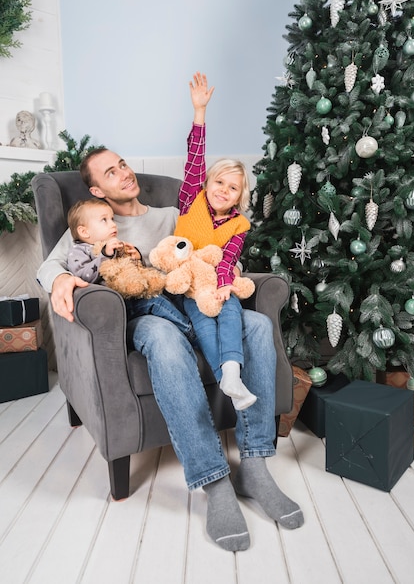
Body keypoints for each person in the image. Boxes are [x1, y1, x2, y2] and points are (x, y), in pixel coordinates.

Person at [37, 73, 304, 552]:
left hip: (193, 301)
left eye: (122, 164)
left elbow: (212, 238)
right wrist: (60, 279)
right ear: (97, 192)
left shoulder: (173, 212)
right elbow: (54, 263)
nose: (123, 172)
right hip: (144, 317)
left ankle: (257, 466)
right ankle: (214, 480)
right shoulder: (96, 226)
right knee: (163, 338)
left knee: (260, 325)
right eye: (111, 172)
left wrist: (225, 267)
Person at [175, 72, 256, 411]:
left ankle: (232, 375)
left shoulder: (240, 224)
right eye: (219, 181)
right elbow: (195, 157)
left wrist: (225, 286)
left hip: (216, 282)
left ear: (240, 196)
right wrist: (200, 113)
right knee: (203, 321)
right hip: (189, 283)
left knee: (231, 310)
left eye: (233, 187)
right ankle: (226, 373)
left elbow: (229, 258)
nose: (224, 189)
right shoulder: (191, 197)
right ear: (208, 183)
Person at [65, 197, 195, 340]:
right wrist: (105, 255)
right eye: (104, 220)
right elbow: (83, 276)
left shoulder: (114, 244)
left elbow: (133, 271)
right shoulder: (78, 251)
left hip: (135, 293)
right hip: (120, 304)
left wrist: (137, 258)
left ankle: (190, 323)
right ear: (84, 232)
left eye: (112, 219)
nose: (113, 225)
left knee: (168, 293)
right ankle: (190, 332)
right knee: (155, 301)